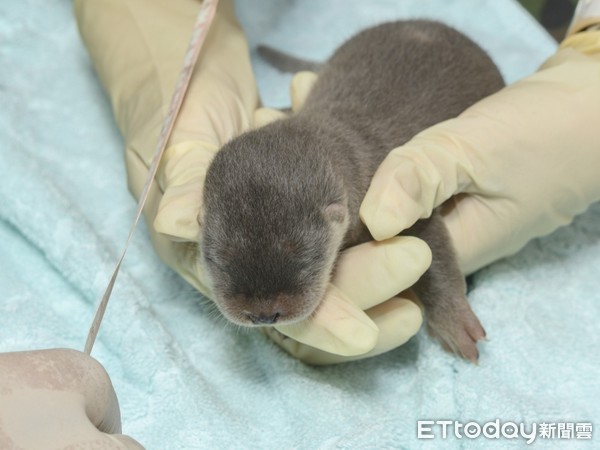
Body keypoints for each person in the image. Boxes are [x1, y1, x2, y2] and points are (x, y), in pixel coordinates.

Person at [2, 0, 600, 446]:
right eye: (225, 262)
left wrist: (447, 305)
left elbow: (422, 227)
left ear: (336, 217)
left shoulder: (363, 193)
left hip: (439, 66)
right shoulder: (294, 176)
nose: (262, 306)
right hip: (356, 68)